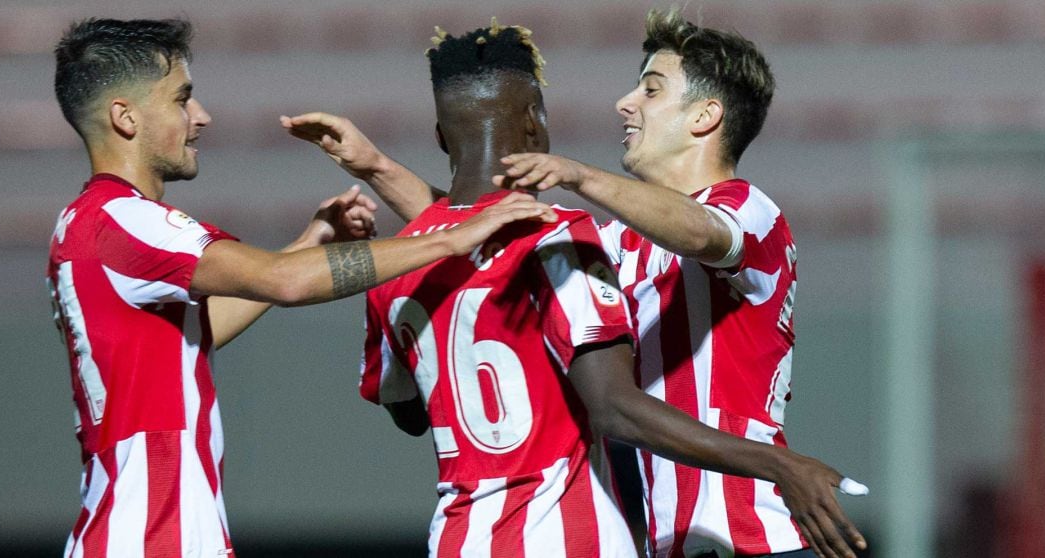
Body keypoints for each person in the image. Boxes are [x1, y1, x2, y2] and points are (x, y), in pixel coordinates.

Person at [286, 18, 864, 558]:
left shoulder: (749, 210)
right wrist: (376, 168)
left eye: (652, 90)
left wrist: (579, 174)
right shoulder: (616, 242)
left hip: (749, 533)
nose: (626, 103)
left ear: (705, 116)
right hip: (669, 540)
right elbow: (485, 236)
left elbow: (703, 233)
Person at [48, 18, 555, 558]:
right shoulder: (125, 220)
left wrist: (309, 241)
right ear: (125, 117)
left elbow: (202, 329)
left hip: (135, 531)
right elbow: (285, 284)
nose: (201, 117)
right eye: (182, 99)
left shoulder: (82, 224)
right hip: (151, 539)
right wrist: (449, 241)